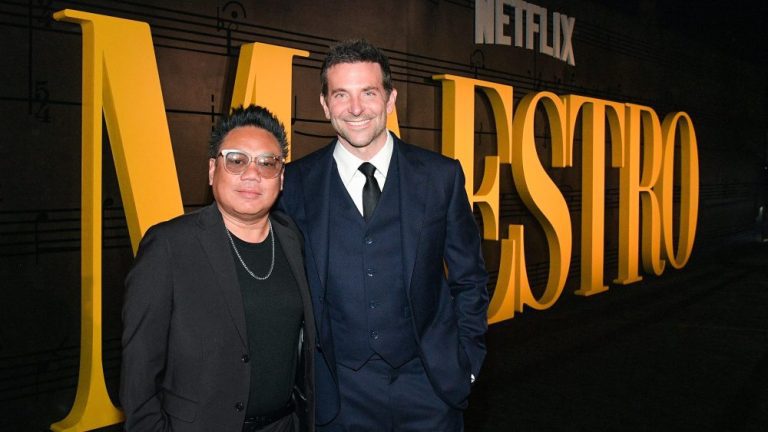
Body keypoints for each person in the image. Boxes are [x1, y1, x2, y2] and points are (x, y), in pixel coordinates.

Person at [279, 40, 489, 431]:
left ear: (390, 99)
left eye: (368, 93)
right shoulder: (294, 183)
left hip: (429, 387)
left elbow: (470, 278)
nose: (355, 108)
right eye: (341, 94)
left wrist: (468, 363)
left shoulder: (440, 177)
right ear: (324, 104)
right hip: (337, 398)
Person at [121, 106, 315, 432]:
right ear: (213, 170)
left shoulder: (292, 237)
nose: (252, 174)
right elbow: (139, 370)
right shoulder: (169, 246)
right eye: (236, 160)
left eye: (267, 163)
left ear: (281, 179)